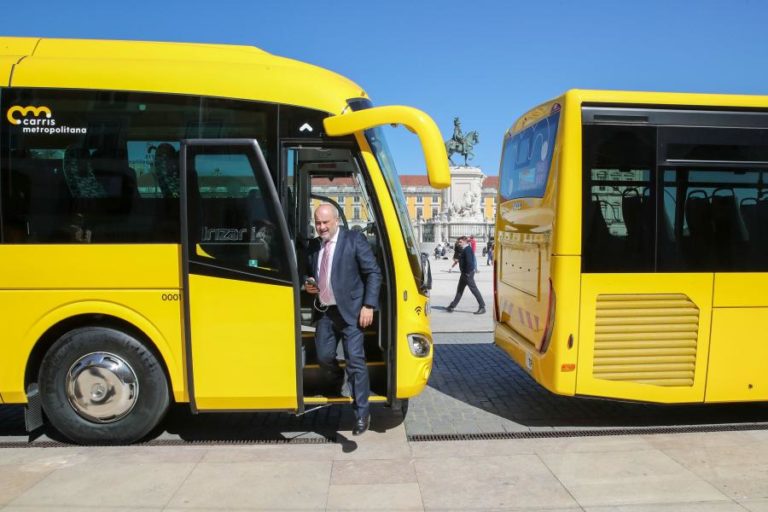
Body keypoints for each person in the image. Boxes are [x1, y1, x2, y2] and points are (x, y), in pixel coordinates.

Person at [304, 204, 382, 436]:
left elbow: (373, 273)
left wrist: (369, 305)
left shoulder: (353, 240)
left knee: (355, 361)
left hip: (351, 312)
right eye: (318, 222)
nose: (321, 227)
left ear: (336, 220)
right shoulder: (314, 245)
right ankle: (337, 378)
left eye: (326, 222)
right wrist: (309, 282)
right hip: (326, 311)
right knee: (324, 355)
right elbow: (310, 272)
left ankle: (361, 414)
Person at [446, 236, 486, 315]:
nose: (459, 243)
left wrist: (468, 273)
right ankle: (452, 306)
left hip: (467, 274)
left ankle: (482, 307)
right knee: (460, 290)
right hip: (464, 273)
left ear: (465, 241)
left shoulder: (467, 249)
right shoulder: (464, 249)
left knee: (474, 290)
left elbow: (470, 263)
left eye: (460, 242)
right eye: (459, 242)